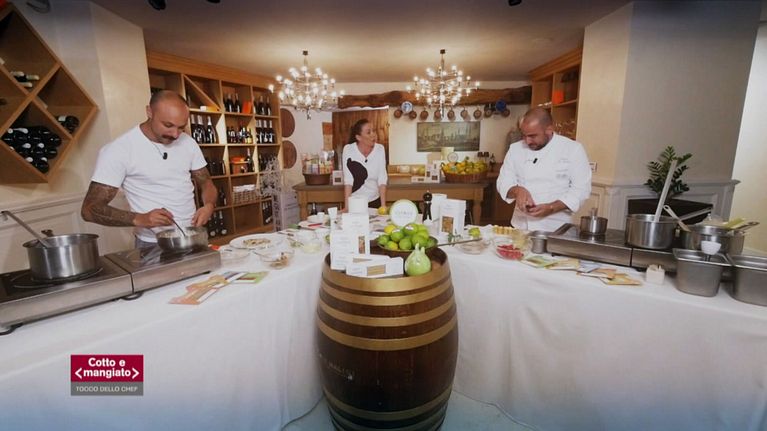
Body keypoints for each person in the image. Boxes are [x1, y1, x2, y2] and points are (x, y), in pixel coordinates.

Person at [81, 90, 217, 247]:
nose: (175, 134)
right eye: (168, 125)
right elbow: (89, 210)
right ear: (149, 112)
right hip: (152, 243)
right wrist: (140, 219)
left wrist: (209, 205)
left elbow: (206, 184)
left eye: (181, 127)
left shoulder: (188, 143)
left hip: (194, 236)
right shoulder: (119, 150)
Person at [496, 107, 591, 231]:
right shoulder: (515, 149)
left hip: (556, 228)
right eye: (524, 135)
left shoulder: (572, 149)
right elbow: (503, 182)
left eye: (532, 136)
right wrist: (517, 191)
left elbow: (581, 190)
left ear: (549, 130)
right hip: (520, 226)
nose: (527, 141)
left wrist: (551, 207)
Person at [342, 119, 388, 210]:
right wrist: (347, 207)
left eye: (373, 131)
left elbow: (382, 178)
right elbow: (348, 180)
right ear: (358, 137)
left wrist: (383, 206)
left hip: (375, 200)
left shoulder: (380, 149)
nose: (373, 135)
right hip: (355, 202)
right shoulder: (348, 150)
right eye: (368, 132)